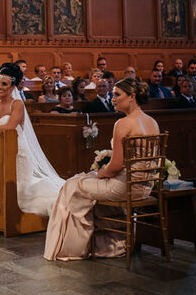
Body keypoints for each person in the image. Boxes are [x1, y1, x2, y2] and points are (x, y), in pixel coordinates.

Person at [44, 78, 160, 261]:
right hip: (145, 187)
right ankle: (108, 244)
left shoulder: (123, 124)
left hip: (124, 187)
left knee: (72, 185)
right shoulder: (152, 122)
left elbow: (116, 166)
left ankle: (72, 248)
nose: (113, 99)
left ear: (132, 96)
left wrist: (101, 173)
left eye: (117, 95)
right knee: (84, 181)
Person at [0, 63, 65, 216]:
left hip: (18, 152)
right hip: (1, 152)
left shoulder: (17, 104)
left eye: (4, 84)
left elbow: (10, 127)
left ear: (12, 87)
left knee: (22, 188)